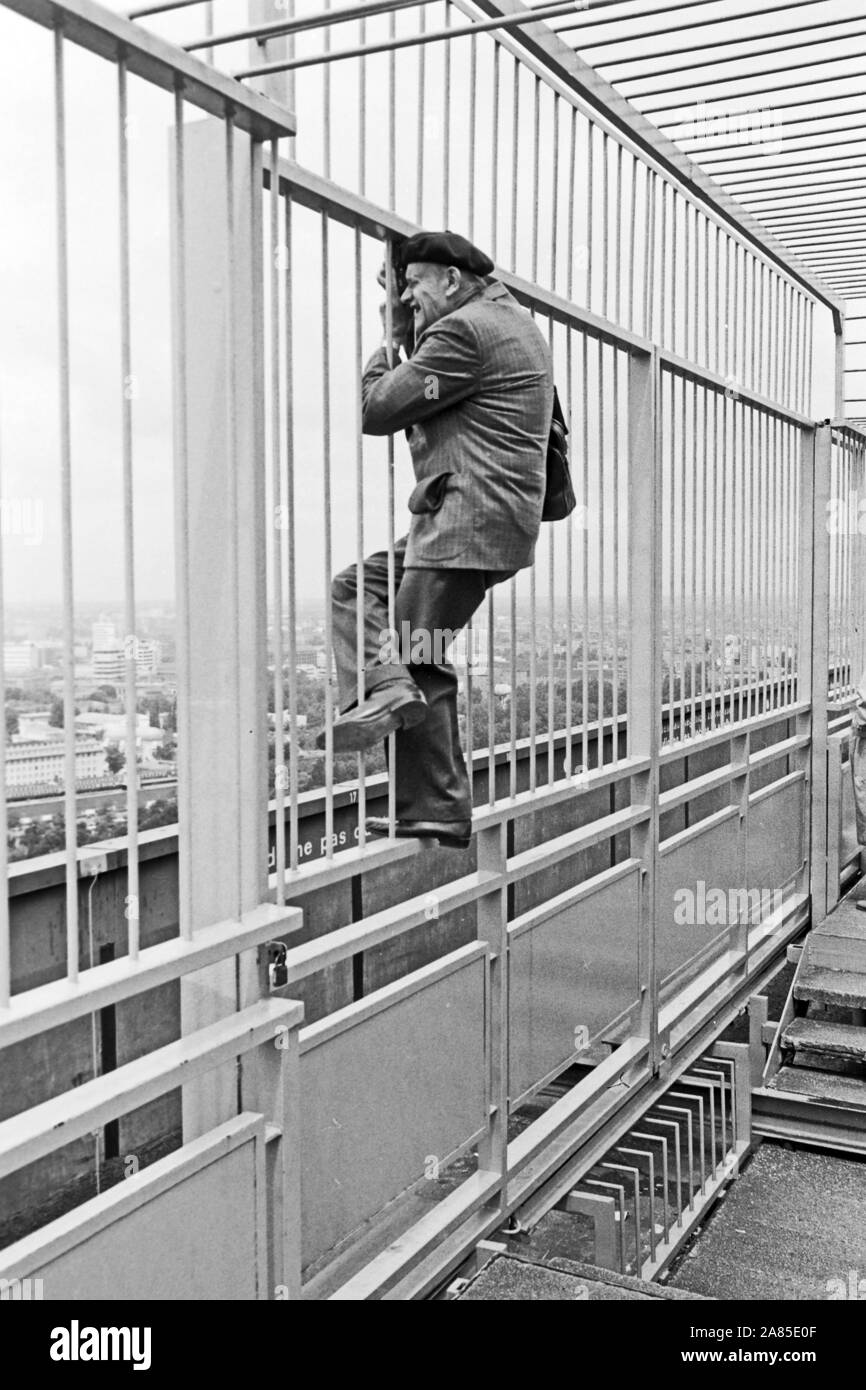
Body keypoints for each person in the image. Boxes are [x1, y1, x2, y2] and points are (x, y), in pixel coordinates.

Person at [320, 230, 554, 850]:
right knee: (357, 588)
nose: (405, 295)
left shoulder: (465, 332)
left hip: (466, 524)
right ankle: (389, 696)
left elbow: (377, 409)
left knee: (420, 653)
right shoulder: (511, 322)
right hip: (479, 519)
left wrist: (390, 333)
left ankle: (438, 808)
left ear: (451, 281)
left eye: (412, 284)